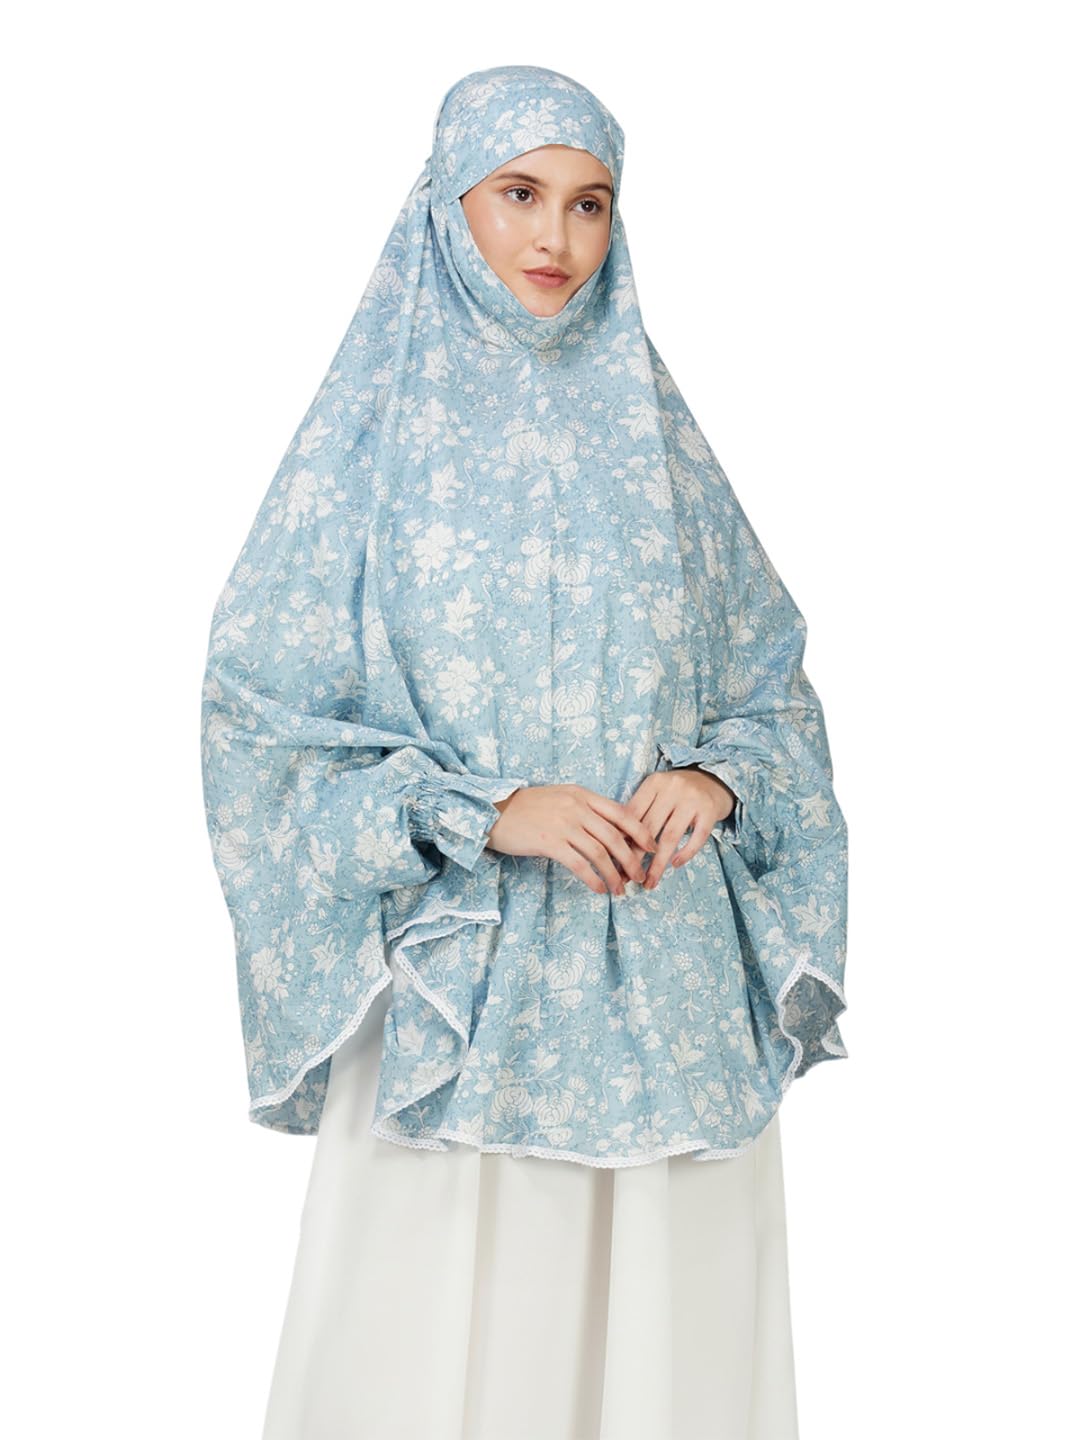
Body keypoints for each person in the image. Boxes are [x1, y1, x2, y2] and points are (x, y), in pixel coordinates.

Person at [200, 63, 849, 1440]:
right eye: (519, 194)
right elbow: (265, 728)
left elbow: (771, 684)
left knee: (668, 1352)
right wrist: (484, 810)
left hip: (662, 987)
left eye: (590, 203)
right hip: (465, 990)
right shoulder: (365, 457)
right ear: (447, 204)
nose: (557, 237)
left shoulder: (659, 448)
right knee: (436, 1343)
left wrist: (716, 777)